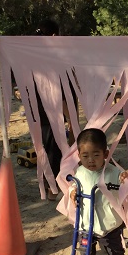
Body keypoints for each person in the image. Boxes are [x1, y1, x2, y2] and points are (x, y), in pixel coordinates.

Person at [70, 128, 128, 255]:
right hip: (86, 225)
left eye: (96, 155)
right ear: (79, 155)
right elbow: (75, 185)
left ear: (105, 154)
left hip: (108, 226)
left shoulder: (113, 172)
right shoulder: (80, 172)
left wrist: (125, 178)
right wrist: (72, 192)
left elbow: (125, 183)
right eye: (85, 156)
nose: (91, 160)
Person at [35, 19, 77, 200]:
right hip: (53, 112)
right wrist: (73, 121)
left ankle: (50, 184)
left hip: (41, 113)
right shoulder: (55, 59)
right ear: (54, 35)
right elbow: (62, 95)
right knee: (54, 147)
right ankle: (54, 188)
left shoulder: (35, 58)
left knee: (47, 145)